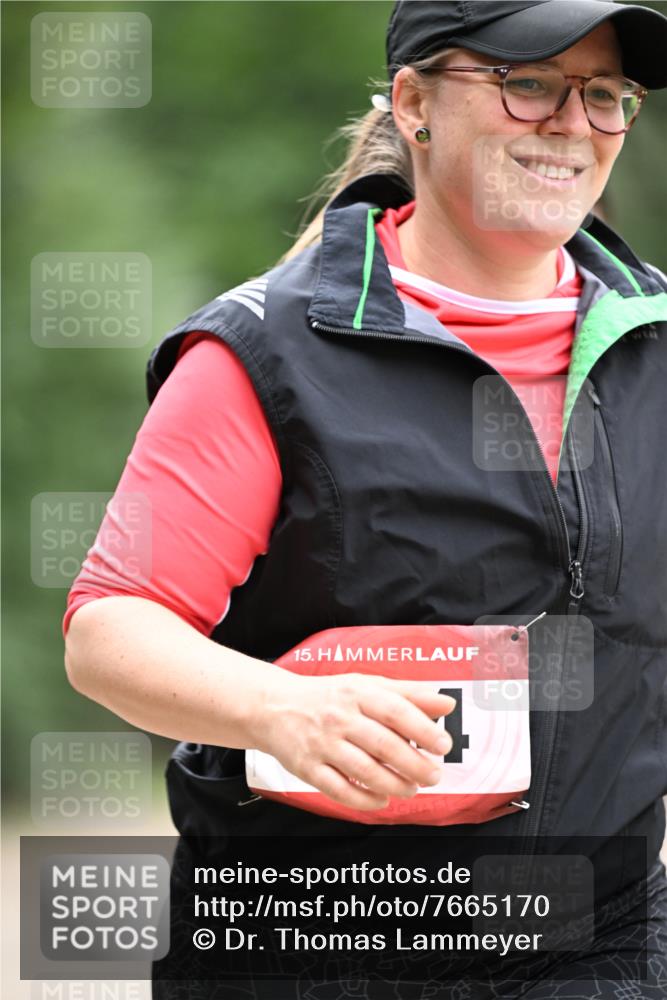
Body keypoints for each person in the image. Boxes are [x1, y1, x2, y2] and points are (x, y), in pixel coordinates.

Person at [63, 1, 667, 997]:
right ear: (414, 103)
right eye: (526, 84)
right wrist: (279, 709)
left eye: (604, 95)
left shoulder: (653, 346)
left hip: (600, 942)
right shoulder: (262, 352)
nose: (572, 123)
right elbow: (109, 631)